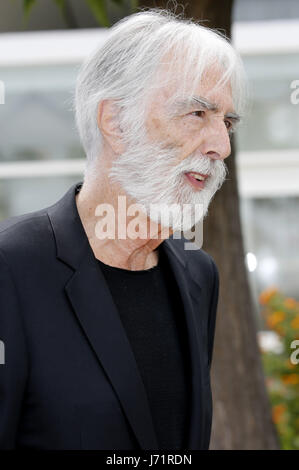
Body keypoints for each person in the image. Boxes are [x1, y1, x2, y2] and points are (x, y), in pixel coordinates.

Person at [0, 9, 246, 450]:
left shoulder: (198, 274)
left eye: (226, 122)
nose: (221, 146)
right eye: (197, 113)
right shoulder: (11, 267)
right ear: (114, 121)